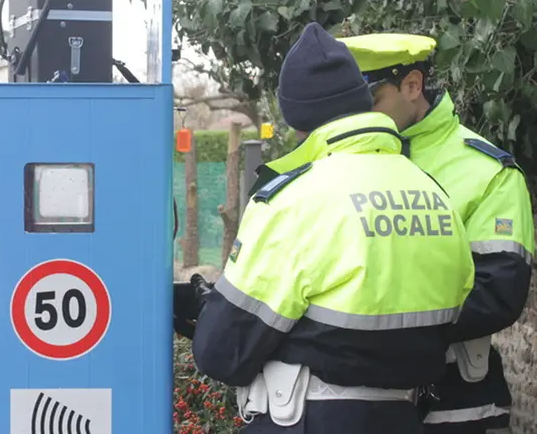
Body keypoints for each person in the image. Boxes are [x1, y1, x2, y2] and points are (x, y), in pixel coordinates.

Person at [189, 22, 476, 434]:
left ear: (296, 116)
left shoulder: (295, 200)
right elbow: (459, 299)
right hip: (405, 418)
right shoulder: (432, 191)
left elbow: (224, 352)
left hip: (308, 419)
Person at [337, 32, 535, 434]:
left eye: (372, 103)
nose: (361, 118)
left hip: (455, 404)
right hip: (353, 402)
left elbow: (497, 293)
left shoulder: (487, 172)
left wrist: (370, 319)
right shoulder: (340, 163)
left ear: (413, 86)